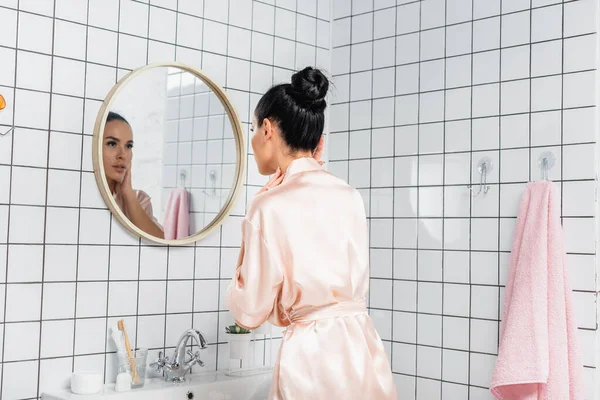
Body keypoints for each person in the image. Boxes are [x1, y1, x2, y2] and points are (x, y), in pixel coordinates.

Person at [225, 67, 397, 399]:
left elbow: (249, 311)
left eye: (252, 129)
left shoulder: (269, 205)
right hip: (362, 347)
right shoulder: (348, 194)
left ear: (267, 129)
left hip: (311, 358)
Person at [102, 111, 164, 239]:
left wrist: (128, 193)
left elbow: (160, 244)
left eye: (128, 146)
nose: (123, 155)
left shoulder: (140, 200)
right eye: (112, 144)